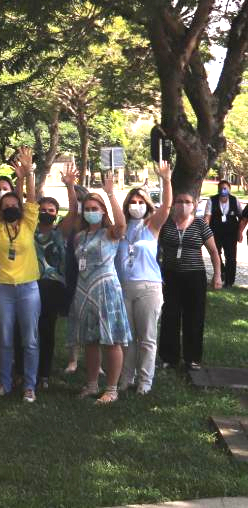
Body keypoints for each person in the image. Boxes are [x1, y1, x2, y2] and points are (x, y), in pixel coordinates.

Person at [0, 148, 40, 403]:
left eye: (15, 205)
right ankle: (4, 382)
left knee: (30, 340)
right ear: (1, 209)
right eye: (7, 205)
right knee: (4, 339)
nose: (11, 207)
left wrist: (29, 173)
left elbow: (31, 198)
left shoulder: (29, 223)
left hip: (28, 289)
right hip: (2, 288)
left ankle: (30, 386)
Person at [71, 172, 131, 404]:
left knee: (111, 339)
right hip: (84, 290)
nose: (91, 212)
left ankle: (112, 389)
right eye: (87, 208)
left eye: (95, 208)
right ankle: (92, 383)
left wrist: (110, 194)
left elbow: (122, 224)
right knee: (90, 341)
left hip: (106, 289)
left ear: (103, 211)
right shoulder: (80, 237)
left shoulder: (110, 233)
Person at [116, 162, 173, 395]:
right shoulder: (120, 227)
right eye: (133, 202)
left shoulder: (151, 225)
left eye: (141, 202)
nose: (137, 206)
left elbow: (166, 207)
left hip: (148, 287)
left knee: (147, 338)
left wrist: (166, 180)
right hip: (124, 287)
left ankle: (145, 381)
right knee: (127, 338)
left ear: (147, 205)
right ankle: (126, 378)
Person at [158, 191, 223, 371]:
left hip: (194, 277)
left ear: (194, 204)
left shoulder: (200, 224)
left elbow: (214, 252)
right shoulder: (166, 224)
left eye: (187, 201)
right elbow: (155, 249)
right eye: (179, 201)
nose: (183, 204)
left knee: (194, 317)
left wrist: (217, 275)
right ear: (174, 204)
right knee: (170, 315)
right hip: (170, 276)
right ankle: (169, 357)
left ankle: (192, 358)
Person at [32, 167, 77, 389]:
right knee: (30, 330)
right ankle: (26, 370)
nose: (46, 212)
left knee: (47, 331)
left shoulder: (61, 232)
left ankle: (44, 374)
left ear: (57, 213)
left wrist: (70, 185)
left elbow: (74, 211)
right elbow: (27, 203)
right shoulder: (29, 231)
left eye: (51, 210)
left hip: (54, 288)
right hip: (31, 285)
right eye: (43, 209)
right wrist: (26, 177)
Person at [204, 180, 242, 288]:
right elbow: (207, 217)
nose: (223, 190)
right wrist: (205, 232)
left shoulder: (234, 200)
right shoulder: (211, 200)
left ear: (229, 189)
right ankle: (221, 273)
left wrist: (240, 232)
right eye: (221, 188)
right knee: (215, 253)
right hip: (215, 232)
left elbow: (241, 216)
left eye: (225, 188)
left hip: (231, 233)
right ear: (218, 189)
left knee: (231, 257)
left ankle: (229, 282)